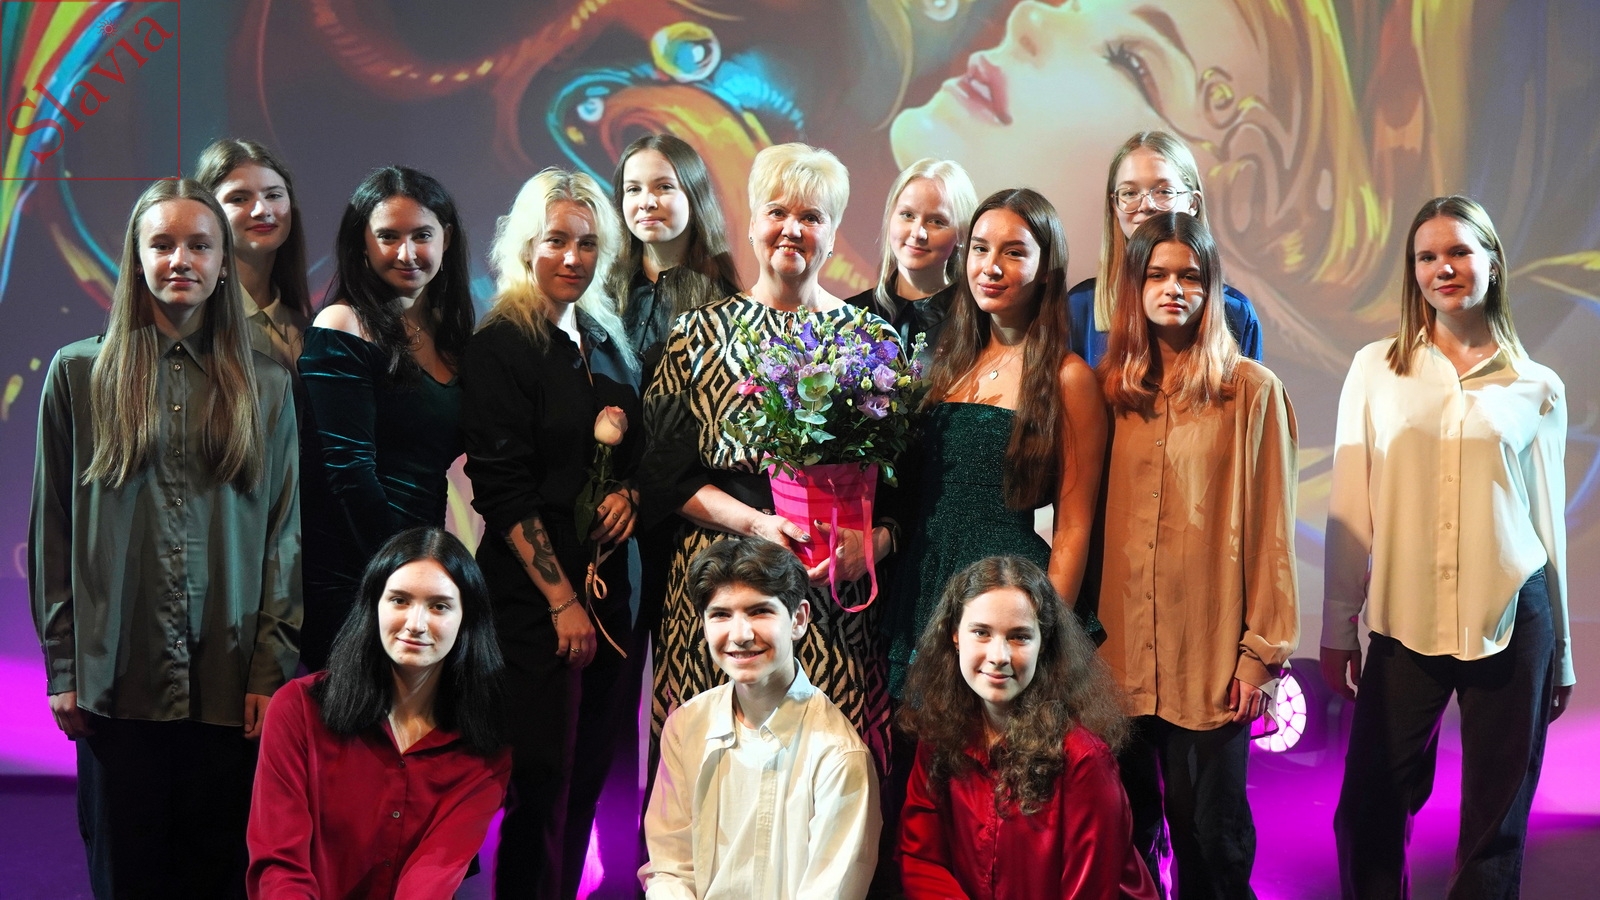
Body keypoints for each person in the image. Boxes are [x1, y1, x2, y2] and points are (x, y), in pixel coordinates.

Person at [29, 179, 300, 898]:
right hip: (115, 685)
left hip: (229, 683)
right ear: (137, 257)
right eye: (163, 244)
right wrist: (63, 666)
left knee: (221, 879)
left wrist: (270, 669)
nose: (181, 259)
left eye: (199, 245)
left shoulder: (268, 384)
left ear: (223, 261)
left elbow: (284, 536)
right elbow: (52, 530)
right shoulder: (78, 374)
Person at [1321, 195, 1572, 899]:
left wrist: (1563, 654)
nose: (1444, 268)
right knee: (1368, 812)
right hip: (1405, 624)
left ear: (1492, 261)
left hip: (1513, 618)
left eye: (1459, 251)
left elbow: (1547, 524)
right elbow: (1350, 506)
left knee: (1496, 827)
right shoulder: (1376, 369)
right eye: (1427, 256)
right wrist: (1337, 627)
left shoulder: (1537, 386)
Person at [641, 142, 894, 770]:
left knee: (826, 771)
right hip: (717, 583)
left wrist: (871, 546)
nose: (792, 229)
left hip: (828, 591)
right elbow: (665, 476)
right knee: (709, 768)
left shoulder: (871, 339)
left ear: (833, 232)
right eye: (777, 212)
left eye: (811, 217)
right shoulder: (695, 335)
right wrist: (757, 525)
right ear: (752, 223)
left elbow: (901, 488)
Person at [1094, 212, 1298, 898]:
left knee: (1212, 840)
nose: (1174, 289)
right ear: (1133, 287)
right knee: (1125, 839)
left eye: (1191, 276)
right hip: (1116, 657)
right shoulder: (1106, 390)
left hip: (1207, 659)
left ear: (1213, 289)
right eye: (1157, 275)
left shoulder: (1252, 391)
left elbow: (1273, 534)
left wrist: (1261, 653)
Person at [461, 167, 643, 899]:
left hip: (608, 590)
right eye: (556, 241)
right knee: (539, 779)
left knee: (588, 776)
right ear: (525, 245)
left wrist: (630, 492)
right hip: (534, 598)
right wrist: (561, 601)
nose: (573, 257)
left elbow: (633, 452)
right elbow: (501, 490)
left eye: (588, 244)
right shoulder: (501, 344)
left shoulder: (603, 338)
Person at [884, 187, 1106, 699]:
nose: (991, 267)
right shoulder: (947, 363)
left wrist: (1045, 631)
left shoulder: (1068, 378)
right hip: (924, 584)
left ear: (1046, 270)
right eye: (980, 249)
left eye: (1014, 252)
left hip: (1006, 596)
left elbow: (1074, 526)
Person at [247, 526, 510, 899]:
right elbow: (280, 863)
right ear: (374, 605)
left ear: (467, 620)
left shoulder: (485, 745)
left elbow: (431, 879)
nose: (415, 624)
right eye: (400, 600)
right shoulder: (297, 707)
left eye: (439, 606)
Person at [298, 166, 475, 672]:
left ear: (447, 238)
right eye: (388, 236)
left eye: (422, 235)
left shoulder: (451, 336)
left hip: (418, 564)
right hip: (355, 570)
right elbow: (349, 472)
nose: (407, 253)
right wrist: (404, 572)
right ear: (362, 243)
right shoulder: (343, 323)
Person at [898, 556, 1156, 899]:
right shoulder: (940, 732)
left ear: (1043, 643)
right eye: (981, 633)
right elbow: (921, 859)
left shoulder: (1084, 760)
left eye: (1019, 637)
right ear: (955, 635)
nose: (999, 656)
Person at [641, 536, 881, 899]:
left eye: (760, 611)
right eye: (721, 615)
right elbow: (670, 867)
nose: (740, 635)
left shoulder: (838, 754)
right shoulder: (686, 726)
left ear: (798, 619)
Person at [1066, 131, 1261, 368]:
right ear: (1114, 205)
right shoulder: (1080, 307)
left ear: (1193, 203)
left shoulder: (1235, 311)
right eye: (1130, 193)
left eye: (1163, 191)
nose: (1146, 205)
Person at [605, 132, 743, 388]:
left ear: (694, 194)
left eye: (664, 187)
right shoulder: (602, 290)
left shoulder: (725, 304)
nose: (646, 202)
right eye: (633, 189)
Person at [195, 138, 313, 376]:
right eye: (239, 198)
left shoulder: (309, 331)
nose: (262, 210)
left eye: (273, 195)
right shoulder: (190, 323)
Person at [844, 157, 978, 353]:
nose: (918, 233)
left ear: (963, 234)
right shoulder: (849, 316)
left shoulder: (978, 321)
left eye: (937, 221)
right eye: (907, 215)